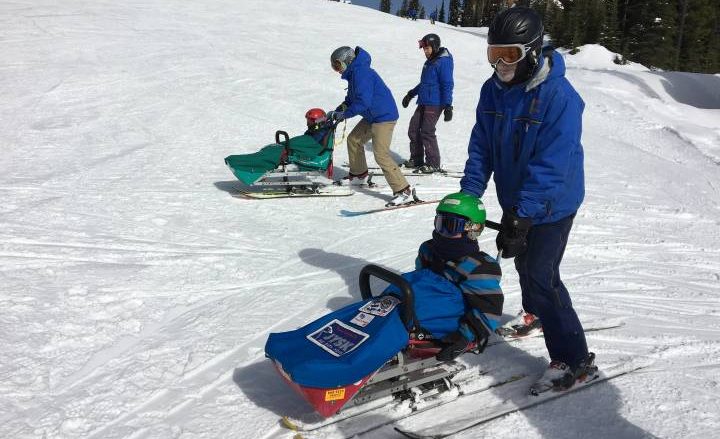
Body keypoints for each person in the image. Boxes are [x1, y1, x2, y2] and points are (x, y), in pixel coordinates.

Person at [459, 7, 595, 394]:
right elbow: (482, 146)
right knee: (521, 259)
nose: (501, 64)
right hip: (518, 198)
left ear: (532, 52)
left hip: (553, 202)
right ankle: (536, 312)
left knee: (542, 275)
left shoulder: (559, 96)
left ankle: (574, 358)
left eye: (510, 55)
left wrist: (523, 214)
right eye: (493, 54)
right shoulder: (493, 91)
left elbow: (553, 164)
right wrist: (469, 193)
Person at [406, 192, 504, 361]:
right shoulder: (428, 250)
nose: (443, 233)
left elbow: (490, 311)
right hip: (422, 309)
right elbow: (421, 281)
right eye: (440, 223)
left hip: (449, 321)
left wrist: (464, 337)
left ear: (472, 230)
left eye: (450, 226)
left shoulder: (478, 268)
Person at [328, 46, 416, 206]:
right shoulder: (354, 74)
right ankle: (358, 175)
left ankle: (404, 190)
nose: (337, 70)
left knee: (381, 154)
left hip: (384, 117)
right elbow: (352, 99)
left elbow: (363, 102)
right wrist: (339, 110)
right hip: (372, 116)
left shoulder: (362, 73)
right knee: (354, 140)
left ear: (347, 61)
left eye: (338, 65)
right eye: (334, 67)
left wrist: (345, 115)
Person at [401, 34, 454, 174]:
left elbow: (447, 84)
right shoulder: (430, 61)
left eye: (427, 48)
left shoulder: (443, 62)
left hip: (436, 103)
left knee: (427, 131)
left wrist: (448, 105)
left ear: (435, 46)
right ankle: (417, 159)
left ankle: (433, 163)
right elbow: (425, 83)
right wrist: (411, 93)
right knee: (413, 128)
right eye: (424, 49)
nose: (425, 51)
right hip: (424, 100)